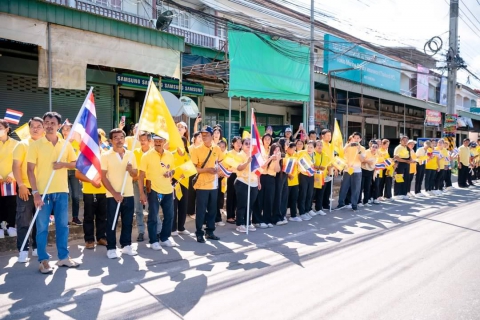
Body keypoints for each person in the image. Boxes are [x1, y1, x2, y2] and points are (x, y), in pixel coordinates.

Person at [27, 112, 80, 273]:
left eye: (52, 122)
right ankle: (43, 260)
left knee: (62, 226)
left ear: (59, 125)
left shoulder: (65, 144)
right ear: (43, 125)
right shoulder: (35, 145)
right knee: (42, 227)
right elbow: (29, 170)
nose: (49, 125)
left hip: (62, 191)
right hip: (42, 193)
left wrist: (63, 164)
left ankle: (63, 258)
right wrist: (35, 193)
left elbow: (75, 163)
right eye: (46, 122)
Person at [101, 128, 138, 259]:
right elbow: (103, 177)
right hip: (112, 195)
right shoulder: (105, 155)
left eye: (121, 137)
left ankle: (126, 245)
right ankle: (111, 247)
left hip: (128, 193)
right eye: (115, 138)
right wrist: (114, 193)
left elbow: (136, 175)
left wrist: (131, 170)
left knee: (128, 221)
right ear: (111, 141)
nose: (119, 140)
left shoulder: (131, 154)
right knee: (112, 222)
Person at [138, 133, 177, 249]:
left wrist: (171, 173)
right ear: (152, 141)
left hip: (168, 190)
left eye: (160, 140)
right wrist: (141, 193)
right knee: (153, 216)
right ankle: (153, 240)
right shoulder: (146, 156)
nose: (158, 142)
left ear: (164, 141)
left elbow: (173, 169)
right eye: (156, 140)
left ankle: (164, 238)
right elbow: (141, 176)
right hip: (154, 190)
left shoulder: (170, 155)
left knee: (169, 216)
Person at [13, 117, 44, 262]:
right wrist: (21, 185)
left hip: (43, 189)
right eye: (33, 126)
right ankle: (23, 250)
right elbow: (16, 166)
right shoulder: (22, 144)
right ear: (29, 128)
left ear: (44, 128)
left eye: (39, 126)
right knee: (23, 220)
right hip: (26, 188)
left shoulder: (46, 144)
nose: (36, 129)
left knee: (40, 221)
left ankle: (37, 248)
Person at [190, 126, 225, 243]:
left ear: (211, 136)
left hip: (214, 185)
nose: (204, 137)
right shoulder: (196, 149)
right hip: (201, 185)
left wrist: (220, 171)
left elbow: (221, 162)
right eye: (202, 135)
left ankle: (210, 231)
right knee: (200, 210)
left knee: (212, 210)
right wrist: (207, 170)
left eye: (206, 135)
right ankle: (199, 233)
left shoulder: (216, 148)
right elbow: (194, 169)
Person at [75, 131, 107, 250]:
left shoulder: (105, 154)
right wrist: (92, 181)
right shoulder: (84, 155)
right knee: (89, 217)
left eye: (96, 140)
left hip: (104, 191)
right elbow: (78, 174)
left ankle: (101, 237)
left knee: (102, 217)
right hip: (89, 191)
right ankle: (89, 239)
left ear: (100, 141)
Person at [133, 131, 157, 242]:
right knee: (138, 209)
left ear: (149, 141)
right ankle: (141, 232)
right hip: (137, 183)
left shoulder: (154, 153)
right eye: (140, 140)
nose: (142, 142)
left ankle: (157, 230)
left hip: (151, 183)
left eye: (144, 140)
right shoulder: (134, 152)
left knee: (152, 208)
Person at [234, 138, 260, 233]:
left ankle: (248, 222)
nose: (248, 145)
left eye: (250, 143)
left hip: (253, 183)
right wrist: (248, 161)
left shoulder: (254, 155)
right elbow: (239, 168)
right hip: (242, 182)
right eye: (246, 143)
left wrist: (258, 181)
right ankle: (240, 223)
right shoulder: (239, 155)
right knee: (242, 204)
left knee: (250, 205)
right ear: (242, 145)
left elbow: (257, 170)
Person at [253, 136, 280, 228]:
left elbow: (277, 170)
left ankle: (267, 219)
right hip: (262, 176)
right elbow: (261, 166)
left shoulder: (272, 149)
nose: (268, 141)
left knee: (269, 199)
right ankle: (257, 220)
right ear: (262, 140)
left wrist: (277, 159)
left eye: (269, 139)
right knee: (259, 199)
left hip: (271, 178)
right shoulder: (261, 150)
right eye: (266, 139)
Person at [335, 132, 365, 212]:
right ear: (352, 138)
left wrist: (358, 150)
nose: (356, 140)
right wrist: (348, 145)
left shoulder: (362, 148)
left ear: (360, 139)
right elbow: (341, 153)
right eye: (355, 138)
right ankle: (341, 203)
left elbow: (362, 160)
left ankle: (354, 205)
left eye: (358, 138)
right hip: (347, 169)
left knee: (356, 189)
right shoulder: (348, 146)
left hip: (357, 170)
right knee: (344, 187)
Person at [61, 123, 82, 226]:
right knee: (65, 196)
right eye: (63, 129)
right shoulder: (59, 142)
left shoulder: (77, 143)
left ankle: (75, 217)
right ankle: (63, 218)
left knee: (75, 196)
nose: (65, 131)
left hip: (74, 171)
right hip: (62, 171)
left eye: (68, 129)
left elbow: (80, 158)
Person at [0, 119, 18, 238]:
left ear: (7, 129)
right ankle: (1, 226)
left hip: (12, 179)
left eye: (0, 128)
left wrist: (12, 175)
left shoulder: (16, 144)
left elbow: (20, 161)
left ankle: (11, 225)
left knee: (12, 203)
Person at [172, 136, 191, 237]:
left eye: (182, 143)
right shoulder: (172, 155)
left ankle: (181, 227)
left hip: (184, 182)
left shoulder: (188, 155)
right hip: (174, 182)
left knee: (183, 205)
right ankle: (173, 228)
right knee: (174, 206)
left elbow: (191, 168)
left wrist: (186, 173)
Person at [297, 141, 316, 220]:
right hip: (303, 175)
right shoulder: (302, 153)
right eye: (308, 147)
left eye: (311, 147)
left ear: (314, 149)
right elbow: (299, 163)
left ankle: (307, 209)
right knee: (303, 193)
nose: (309, 149)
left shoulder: (313, 155)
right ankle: (302, 212)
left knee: (309, 193)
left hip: (310, 176)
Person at [226, 137, 242, 224]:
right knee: (230, 196)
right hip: (232, 175)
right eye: (237, 142)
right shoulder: (229, 153)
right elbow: (230, 165)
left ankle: (234, 215)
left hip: (240, 175)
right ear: (233, 144)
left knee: (237, 196)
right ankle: (229, 216)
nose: (239, 144)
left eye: (240, 142)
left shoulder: (242, 153)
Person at [273, 138, 289, 224]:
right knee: (278, 197)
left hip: (285, 176)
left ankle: (282, 215)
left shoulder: (286, 154)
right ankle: (277, 217)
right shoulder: (279, 154)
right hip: (279, 176)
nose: (288, 146)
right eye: (286, 144)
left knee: (284, 196)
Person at [187, 131, 203, 219]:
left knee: (199, 193)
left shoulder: (202, 148)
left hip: (201, 172)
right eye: (199, 137)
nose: (201, 139)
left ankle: (198, 211)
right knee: (191, 193)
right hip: (191, 172)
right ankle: (191, 211)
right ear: (195, 138)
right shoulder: (190, 148)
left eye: (202, 137)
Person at [311, 139, 328, 215]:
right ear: (314, 147)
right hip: (314, 176)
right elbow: (311, 164)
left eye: (321, 145)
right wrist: (318, 167)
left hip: (322, 177)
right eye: (317, 145)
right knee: (312, 193)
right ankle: (309, 209)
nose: (319, 146)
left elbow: (327, 165)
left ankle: (319, 208)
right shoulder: (312, 154)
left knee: (320, 193)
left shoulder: (325, 155)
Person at [285, 143, 300, 221]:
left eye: (295, 149)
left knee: (294, 199)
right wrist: (289, 175)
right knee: (286, 199)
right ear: (288, 148)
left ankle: (293, 215)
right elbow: (285, 168)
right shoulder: (285, 156)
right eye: (293, 149)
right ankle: (283, 215)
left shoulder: (295, 156)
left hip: (295, 181)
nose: (294, 151)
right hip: (287, 181)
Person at [360, 141, 378, 206]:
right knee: (361, 187)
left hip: (370, 171)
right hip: (363, 170)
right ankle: (359, 202)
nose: (374, 148)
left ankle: (366, 201)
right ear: (370, 147)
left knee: (367, 187)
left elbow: (375, 163)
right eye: (373, 147)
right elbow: (362, 160)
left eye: (376, 147)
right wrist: (368, 161)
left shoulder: (376, 154)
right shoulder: (366, 152)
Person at [320, 129, 334, 210]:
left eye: (330, 135)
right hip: (323, 170)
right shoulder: (320, 144)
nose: (329, 137)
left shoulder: (331, 145)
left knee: (328, 188)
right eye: (327, 135)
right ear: (323, 136)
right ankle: (320, 204)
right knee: (322, 189)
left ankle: (326, 204)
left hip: (331, 169)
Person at [215, 140, 228, 226]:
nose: (221, 149)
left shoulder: (226, 157)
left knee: (219, 199)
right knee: (213, 200)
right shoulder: (213, 155)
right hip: (212, 180)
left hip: (221, 180)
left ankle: (218, 219)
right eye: (220, 147)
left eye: (223, 147)